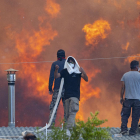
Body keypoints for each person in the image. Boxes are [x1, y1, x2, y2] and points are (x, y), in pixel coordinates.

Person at [54, 56, 88, 129]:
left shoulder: (78, 72)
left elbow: (86, 79)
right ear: (67, 63)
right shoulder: (64, 71)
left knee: (72, 112)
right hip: (66, 97)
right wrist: (56, 69)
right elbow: (56, 76)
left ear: (75, 62)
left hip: (74, 96)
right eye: (69, 61)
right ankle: (75, 132)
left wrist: (83, 72)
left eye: (72, 61)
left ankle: (68, 129)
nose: (71, 63)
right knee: (67, 115)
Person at [120, 60, 140, 136]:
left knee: (124, 115)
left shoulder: (125, 75)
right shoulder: (139, 75)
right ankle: (132, 132)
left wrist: (121, 97)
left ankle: (124, 130)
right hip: (137, 100)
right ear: (136, 67)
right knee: (135, 116)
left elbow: (122, 88)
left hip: (127, 99)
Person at [48, 49, 66, 127]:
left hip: (57, 89)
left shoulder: (54, 64)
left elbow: (52, 76)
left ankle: (51, 125)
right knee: (67, 108)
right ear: (64, 56)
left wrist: (50, 88)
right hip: (67, 90)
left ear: (57, 56)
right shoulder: (68, 63)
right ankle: (68, 125)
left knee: (54, 107)